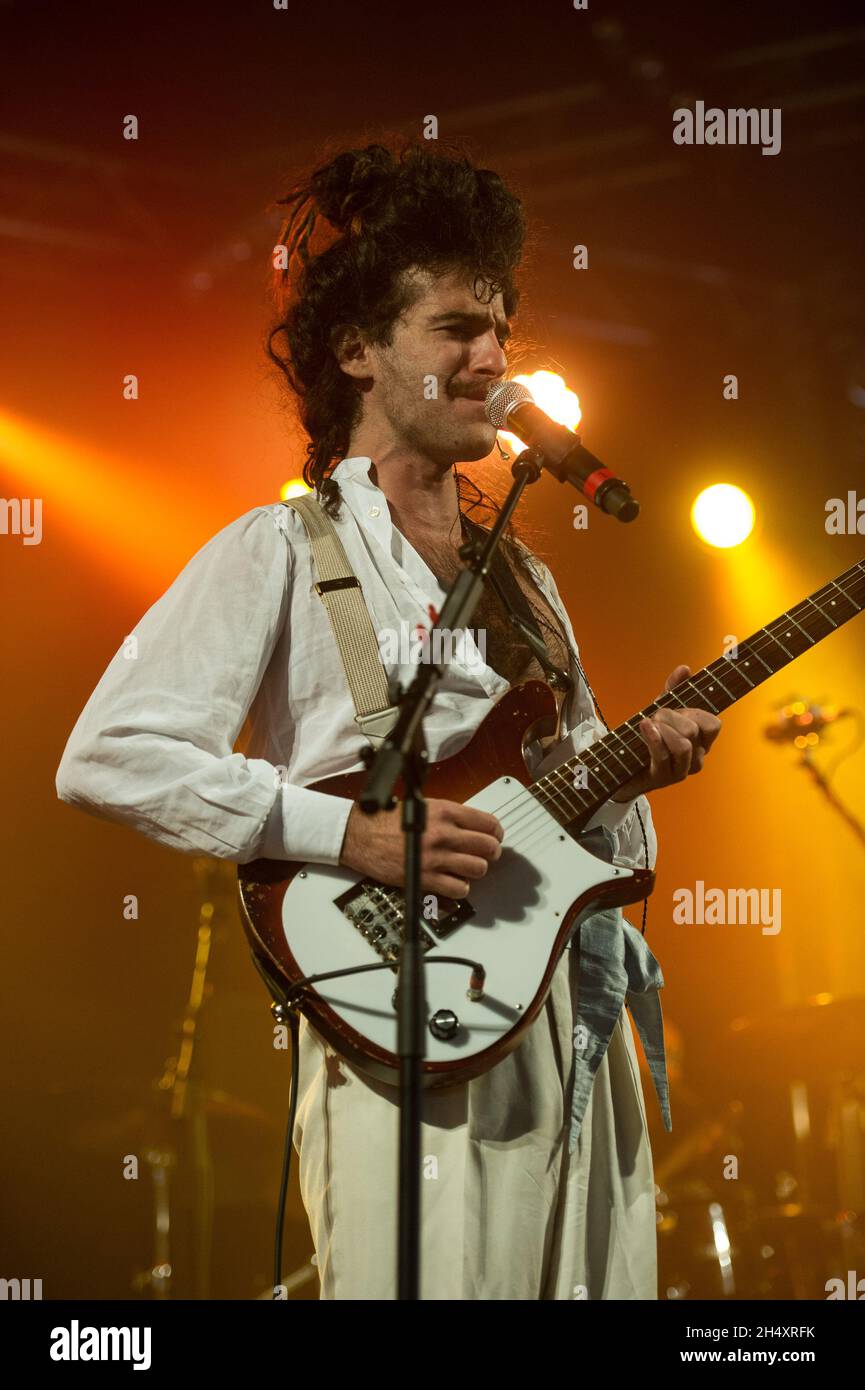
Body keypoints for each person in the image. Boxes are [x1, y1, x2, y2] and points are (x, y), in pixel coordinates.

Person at [55, 139, 722, 1300]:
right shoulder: (276, 549)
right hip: (402, 1018)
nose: (494, 358)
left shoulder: (527, 580)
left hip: (571, 1022)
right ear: (357, 351)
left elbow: (585, 843)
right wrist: (346, 836)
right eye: (458, 329)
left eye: (501, 329)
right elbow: (107, 755)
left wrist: (628, 774)